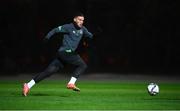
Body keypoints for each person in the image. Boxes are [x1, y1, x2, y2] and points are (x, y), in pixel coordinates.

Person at [23, 12, 93, 96]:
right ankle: (71, 83)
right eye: (79, 19)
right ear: (74, 19)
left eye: (82, 20)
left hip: (63, 56)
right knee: (83, 65)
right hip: (65, 52)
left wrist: (93, 37)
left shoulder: (83, 29)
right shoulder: (68, 27)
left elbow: (90, 36)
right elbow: (55, 30)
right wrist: (47, 37)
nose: (81, 21)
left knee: (48, 72)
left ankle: (28, 85)